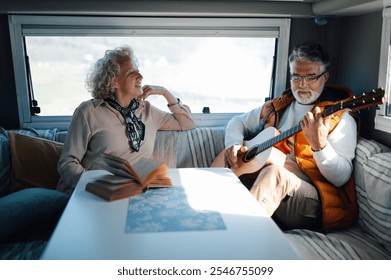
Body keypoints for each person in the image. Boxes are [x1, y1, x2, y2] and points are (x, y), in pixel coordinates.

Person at [219, 41, 359, 230]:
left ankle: (239, 240)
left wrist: (320, 147)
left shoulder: (340, 118)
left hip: (314, 203)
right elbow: (237, 122)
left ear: (325, 77)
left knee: (274, 173)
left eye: (311, 77)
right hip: (268, 192)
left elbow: (341, 177)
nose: (302, 85)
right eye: (296, 77)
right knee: (236, 171)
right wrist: (234, 145)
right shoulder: (278, 107)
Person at [57, 46, 195, 194]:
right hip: (91, 191)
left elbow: (186, 123)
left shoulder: (148, 111)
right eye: (131, 72)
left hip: (133, 192)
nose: (140, 76)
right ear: (113, 82)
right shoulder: (88, 111)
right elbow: (68, 163)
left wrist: (164, 92)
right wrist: (95, 186)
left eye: (138, 70)